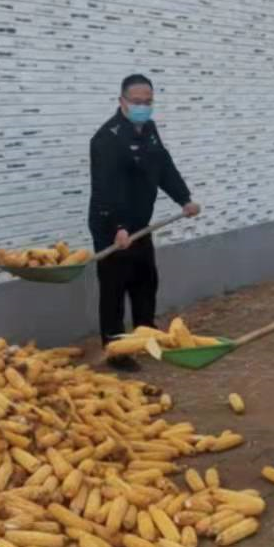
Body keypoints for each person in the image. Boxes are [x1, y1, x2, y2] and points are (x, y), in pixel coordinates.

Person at [89, 74, 200, 369]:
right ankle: (117, 351)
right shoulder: (105, 140)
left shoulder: (148, 129)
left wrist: (184, 198)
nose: (143, 107)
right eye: (137, 102)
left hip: (140, 224)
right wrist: (117, 228)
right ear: (122, 102)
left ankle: (145, 336)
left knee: (145, 282)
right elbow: (105, 189)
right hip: (110, 225)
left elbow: (163, 166)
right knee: (114, 289)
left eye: (148, 102)